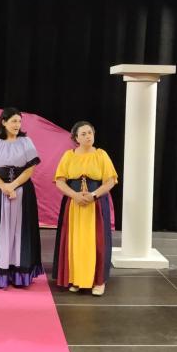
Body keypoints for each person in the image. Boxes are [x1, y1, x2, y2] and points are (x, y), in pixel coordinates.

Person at [0, 107, 44, 288]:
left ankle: (19, 273)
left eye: (19, 121)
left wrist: (13, 185)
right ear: (4, 122)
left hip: (22, 192)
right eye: (13, 121)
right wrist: (4, 186)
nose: (17, 125)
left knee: (20, 230)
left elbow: (29, 169)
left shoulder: (26, 141)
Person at [53, 121, 118, 296]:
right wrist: (74, 195)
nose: (88, 136)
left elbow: (110, 181)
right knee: (75, 241)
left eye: (90, 132)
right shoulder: (69, 156)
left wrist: (94, 195)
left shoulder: (101, 155)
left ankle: (98, 281)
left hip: (95, 204)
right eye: (83, 134)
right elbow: (60, 181)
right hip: (74, 204)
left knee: (96, 242)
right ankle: (76, 278)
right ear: (76, 138)